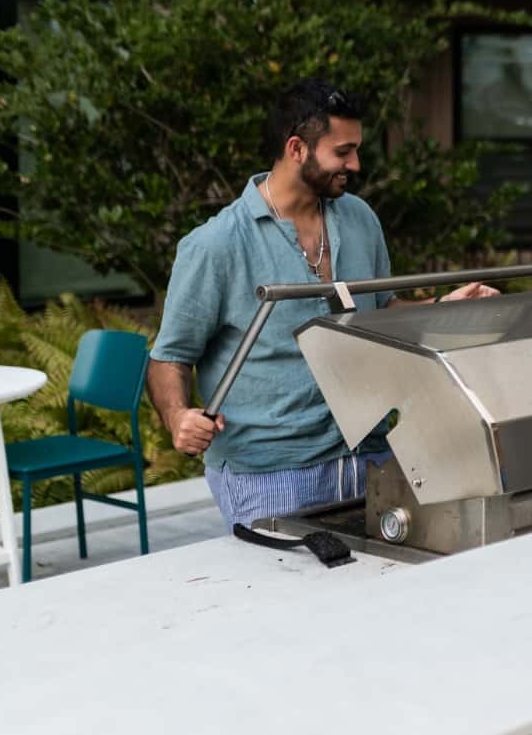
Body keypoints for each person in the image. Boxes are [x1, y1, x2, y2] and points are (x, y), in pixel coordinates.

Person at [147, 79, 496, 534]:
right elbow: (169, 356)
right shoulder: (217, 245)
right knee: (285, 603)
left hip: (369, 456)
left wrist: (436, 307)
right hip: (272, 472)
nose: (355, 164)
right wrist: (178, 416)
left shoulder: (360, 219)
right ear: (297, 148)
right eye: (343, 151)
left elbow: (380, 310)